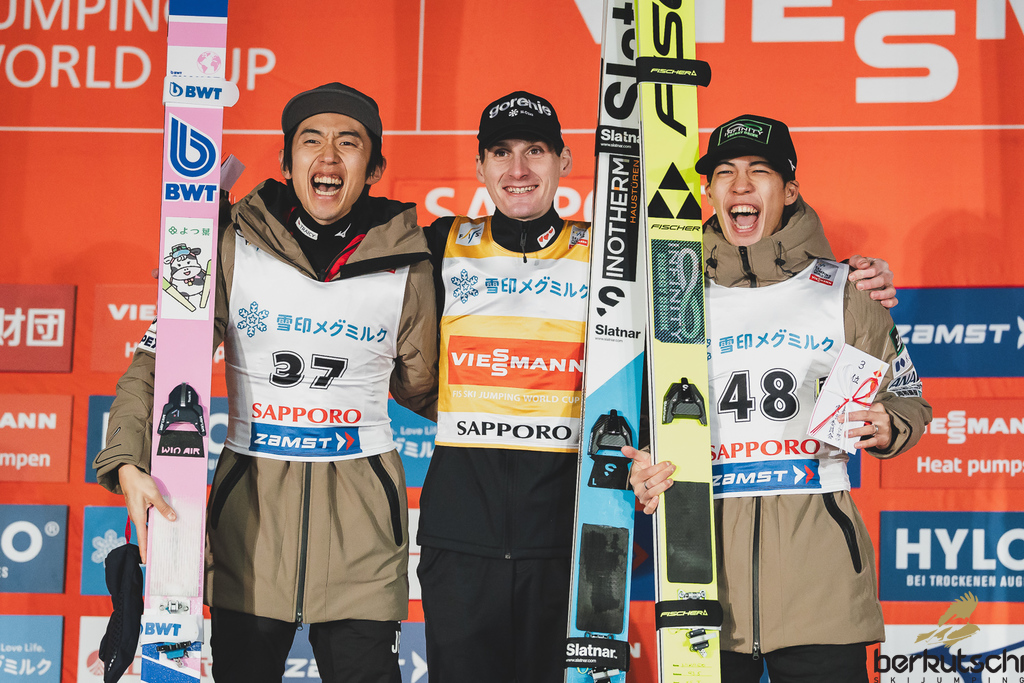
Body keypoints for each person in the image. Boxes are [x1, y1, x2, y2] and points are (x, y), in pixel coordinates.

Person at [417, 95, 899, 682]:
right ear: (480, 166)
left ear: (564, 161)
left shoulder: (629, 262)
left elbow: (899, 393)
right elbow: (389, 338)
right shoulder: (442, 245)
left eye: (535, 151)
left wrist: (887, 407)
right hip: (485, 534)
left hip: (586, 537)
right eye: (501, 152)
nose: (518, 168)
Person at [93, 82, 438, 683]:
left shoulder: (408, 262)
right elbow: (159, 359)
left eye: (348, 143)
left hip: (364, 539)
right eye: (311, 140)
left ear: (375, 168)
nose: (327, 156)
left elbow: (430, 389)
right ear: (285, 160)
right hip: (246, 536)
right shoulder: (230, 244)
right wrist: (125, 461)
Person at [628, 114, 931, 683]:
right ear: (709, 192)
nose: (740, 185)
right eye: (725, 172)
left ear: (790, 190)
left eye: (759, 171)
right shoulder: (673, 294)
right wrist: (640, 465)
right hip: (701, 582)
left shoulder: (846, 289)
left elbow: (907, 396)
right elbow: (639, 417)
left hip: (822, 585)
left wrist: (890, 423)